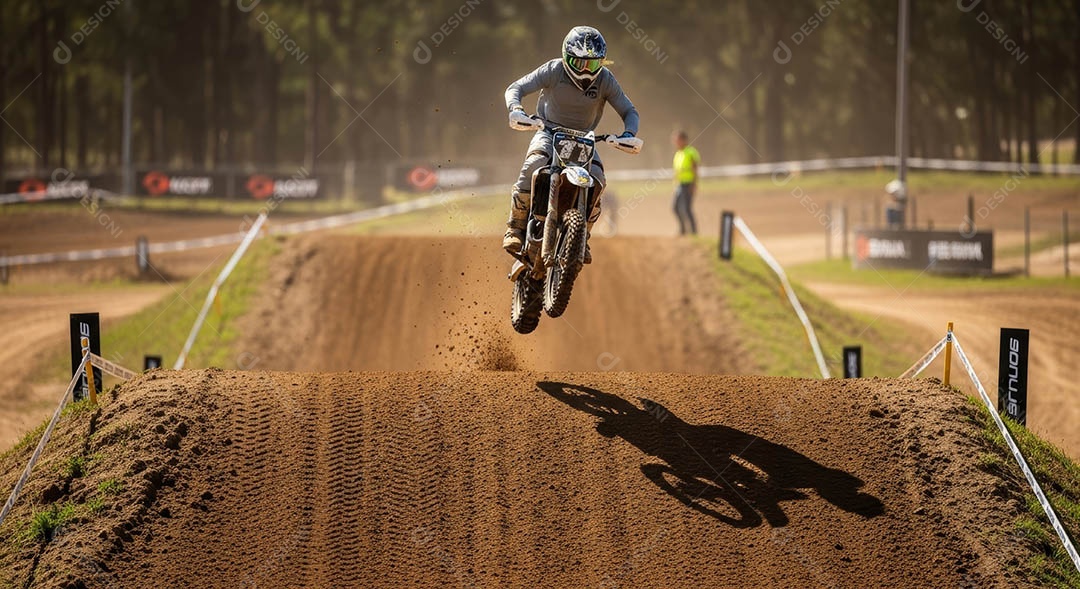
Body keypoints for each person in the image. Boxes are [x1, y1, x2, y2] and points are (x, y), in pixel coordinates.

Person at [502, 25, 640, 264]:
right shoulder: (554, 70)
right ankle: (515, 227)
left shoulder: (605, 79)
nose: (586, 70)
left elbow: (629, 111)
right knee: (534, 164)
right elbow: (516, 88)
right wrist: (516, 109)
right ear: (566, 58)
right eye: (579, 63)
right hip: (548, 132)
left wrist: (628, 133)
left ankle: (582, 237)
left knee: (598, 178)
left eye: (592, 65)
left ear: (602, 63)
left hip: (584, 139)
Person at [671, 130, 700, 235]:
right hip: (680, 184)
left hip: (688, 184)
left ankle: (694, 231)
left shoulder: (691, 152)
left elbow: (695, 169)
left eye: (677, 139)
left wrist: (694, 184)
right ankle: (683, 229)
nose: (675, 142)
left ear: (683, 140)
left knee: (687, 209)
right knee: (675, 208)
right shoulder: (678, 154)